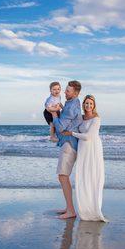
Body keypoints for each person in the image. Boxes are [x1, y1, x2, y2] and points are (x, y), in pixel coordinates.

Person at [62, 95, 107, 222]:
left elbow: (88, 136)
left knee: (93, 176)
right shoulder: (81, 118)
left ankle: (94, 209)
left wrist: (71, 133)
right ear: (83, 105)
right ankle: (84, 208)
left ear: (94, 105)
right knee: (83, 176)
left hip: (92, 149)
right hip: (82, 149)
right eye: (86, 103)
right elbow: (70, 121)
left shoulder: (96, 119)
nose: (88, 106)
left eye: (91, 104)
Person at [51, 81, 83, 220]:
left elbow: (60, 127)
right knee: (64, 176)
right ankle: (68, 207)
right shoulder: (73, 103)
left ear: (75, 93)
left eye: (68, 91)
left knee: (63, 176)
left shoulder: (71, 107)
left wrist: (53, 114)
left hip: (68, 145)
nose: (64, 92)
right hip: (68, 143)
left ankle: (71, 210)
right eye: (65, 90)